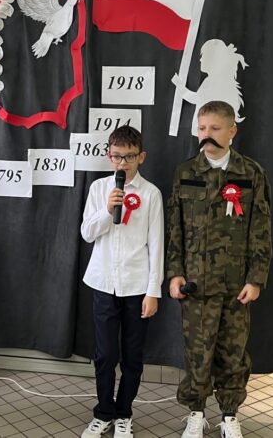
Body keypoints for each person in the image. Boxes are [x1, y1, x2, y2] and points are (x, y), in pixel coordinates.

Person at [167, 101, 272, 438]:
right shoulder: (186, 172)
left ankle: (229, 415)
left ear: (231, 131)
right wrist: (175, 273)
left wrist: (256, 279)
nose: (206, 135)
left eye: (214, 128)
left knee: (233, 354)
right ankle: (196, 413)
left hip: (235, 285)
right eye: (202, 128)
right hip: (195, 285)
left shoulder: (250, 173)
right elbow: (175, 228)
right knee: (197, 354)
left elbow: (261, 229)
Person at [79, 126, 164, 438]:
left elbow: (157, 245)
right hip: (103, 283)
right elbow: (87, 233)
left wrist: (153, 291)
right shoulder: (99, 189)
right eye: (117, 156)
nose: (122, 163)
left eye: (129, 157)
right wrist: (107, 210)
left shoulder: (151, 194)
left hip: (137, 286)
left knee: (132, 356)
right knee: (104, 355)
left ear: (141, 157)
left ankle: (124, 413)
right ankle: (104, 412)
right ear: (108, 156)